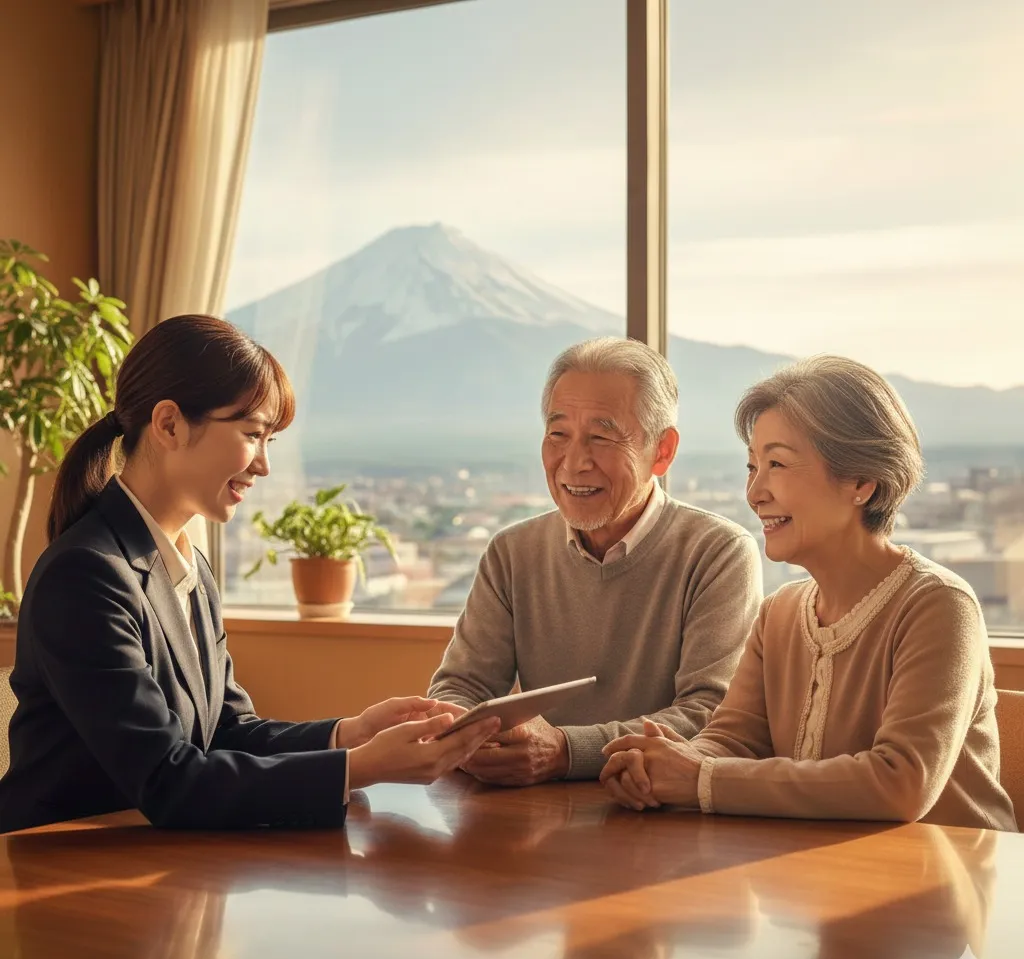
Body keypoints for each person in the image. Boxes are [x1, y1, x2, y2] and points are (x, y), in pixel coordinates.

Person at [0, 315, 498, 833]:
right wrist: (363, 768)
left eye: (270, 442)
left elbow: (227, 731)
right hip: (55, 869)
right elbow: (169, 781)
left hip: (154, 864)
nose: (262, 465)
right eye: (252, 434)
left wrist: (351, 735)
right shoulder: (85, 576)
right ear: (169, 424)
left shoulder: (187, 564)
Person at [601, 355, 1017, 831]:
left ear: (861, 481)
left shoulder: (940, 605)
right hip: (823, 884)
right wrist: (661, 765)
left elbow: (901, 783)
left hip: (956, 887)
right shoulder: (779, 613)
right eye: (752, 466)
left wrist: (699, 776)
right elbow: (732, 743)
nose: (754, 492)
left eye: (776, 463)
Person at [427, 337, 762, 785]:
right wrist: (467, 736)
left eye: (601, 436)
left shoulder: (718, 553)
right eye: (558, 434)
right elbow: (459, 687)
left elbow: (709, 716)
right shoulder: (513, 552)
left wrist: (567, 752)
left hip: (661, 818)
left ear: (662, 451)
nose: (574, 462)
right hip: (528, 818)